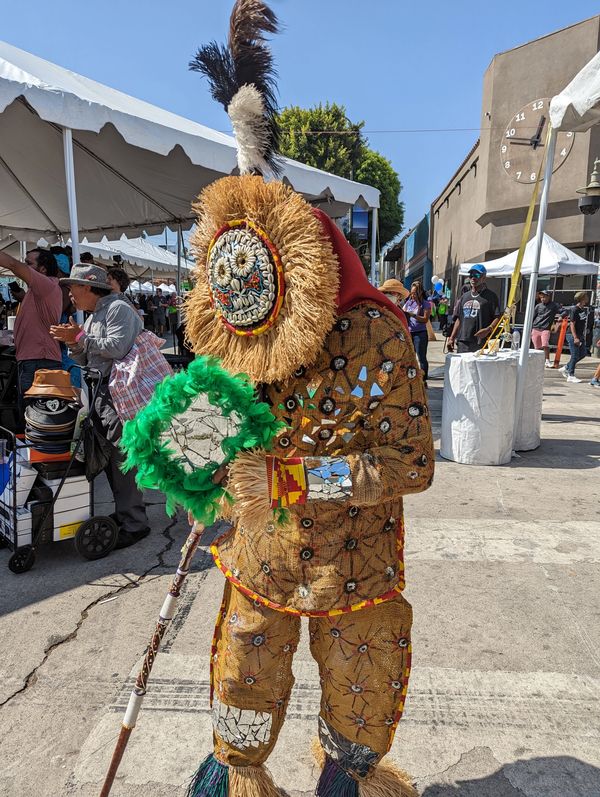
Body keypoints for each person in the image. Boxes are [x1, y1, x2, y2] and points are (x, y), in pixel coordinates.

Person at [181, 4, 434, 796]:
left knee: (360, 683)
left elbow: (411, 463)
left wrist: (300, 482)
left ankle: (345, 778)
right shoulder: (230, 330)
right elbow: (203, 431)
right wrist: (197, 484)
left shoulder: (375, 340)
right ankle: (241, 776)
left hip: (350, 565)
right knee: (243, 681)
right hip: (259, 557)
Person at [50, 264, 150, 549]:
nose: (70, 293)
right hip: (101, 393)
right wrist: (75, 344)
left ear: (88, 287)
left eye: (73, 287)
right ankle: (125, 514)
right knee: (110, 456)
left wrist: (80, 338)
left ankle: (135, 523)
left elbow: (117, 348)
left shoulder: (118, 308)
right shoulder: (96, 315)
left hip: (117, 393)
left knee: (122, 458)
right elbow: (87, 361)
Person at [0, 248, 63, 399]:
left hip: (39, 361)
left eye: (29, 263)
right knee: (32, 413)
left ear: (43, 269)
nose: (24, 266)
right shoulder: (40, 289)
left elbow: (13, 265)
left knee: (34, 413)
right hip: (35, 359)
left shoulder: (47, 284)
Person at [447, 264, 501, 353]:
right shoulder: (464, 296)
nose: (473, 278)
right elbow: (459, 319)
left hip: (480, 342)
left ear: (484, 277)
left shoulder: (491, 296)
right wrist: (452, 338)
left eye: (477, 275)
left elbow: (497, 317)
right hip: (463, 342)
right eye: (471, 275)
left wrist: (488, 329)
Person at [401, 280, 432, 385]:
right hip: (409, 333)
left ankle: (424, 379)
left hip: (420, 333)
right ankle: (411, 377)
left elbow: (425, 319)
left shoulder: (426, 304)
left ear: (419, 292)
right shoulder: (409, 302)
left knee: (421, 356)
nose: (412, 295)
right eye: (411, 292)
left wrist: (413, 315)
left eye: (414, 293)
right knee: (409, 356)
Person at [560, 291, 592, 383]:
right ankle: (571, 375)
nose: (587, 298)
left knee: (583, 353)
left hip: (580, 335)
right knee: (575, 355)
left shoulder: (582, 309)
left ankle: (566, 367)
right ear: (582, 298)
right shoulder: (574, 309)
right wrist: (575, 337)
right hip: (572, 335)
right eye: (586, 296)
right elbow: (572, 324)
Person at [531, 289, 560, 368]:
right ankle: (538, 361)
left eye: (544, 297)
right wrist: (530, 328)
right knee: (536, 347)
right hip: (536, 327)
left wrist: (560, 316)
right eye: (541, 297)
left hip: (545, 328)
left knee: (545, 345)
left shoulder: (554, 305)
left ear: (548, 297)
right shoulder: (538, 306)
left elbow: (563, 311)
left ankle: (547, 361)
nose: (543, 299)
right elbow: (533, 317)